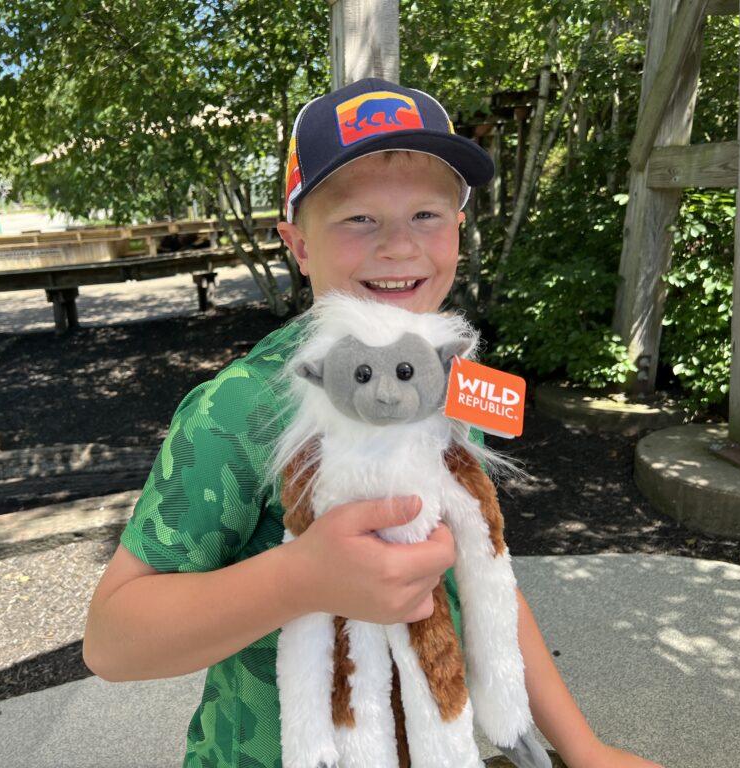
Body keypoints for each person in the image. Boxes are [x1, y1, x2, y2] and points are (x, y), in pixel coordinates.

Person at [83, 78, 663, 768]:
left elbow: (484, 571)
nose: (398, 246)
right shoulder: (239, 410)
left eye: (427, 214)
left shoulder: (452, 382)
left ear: (458, 228)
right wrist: (302, 577)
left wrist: (583, 748)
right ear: (297, 244)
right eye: (358, 219)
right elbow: (112, 643)